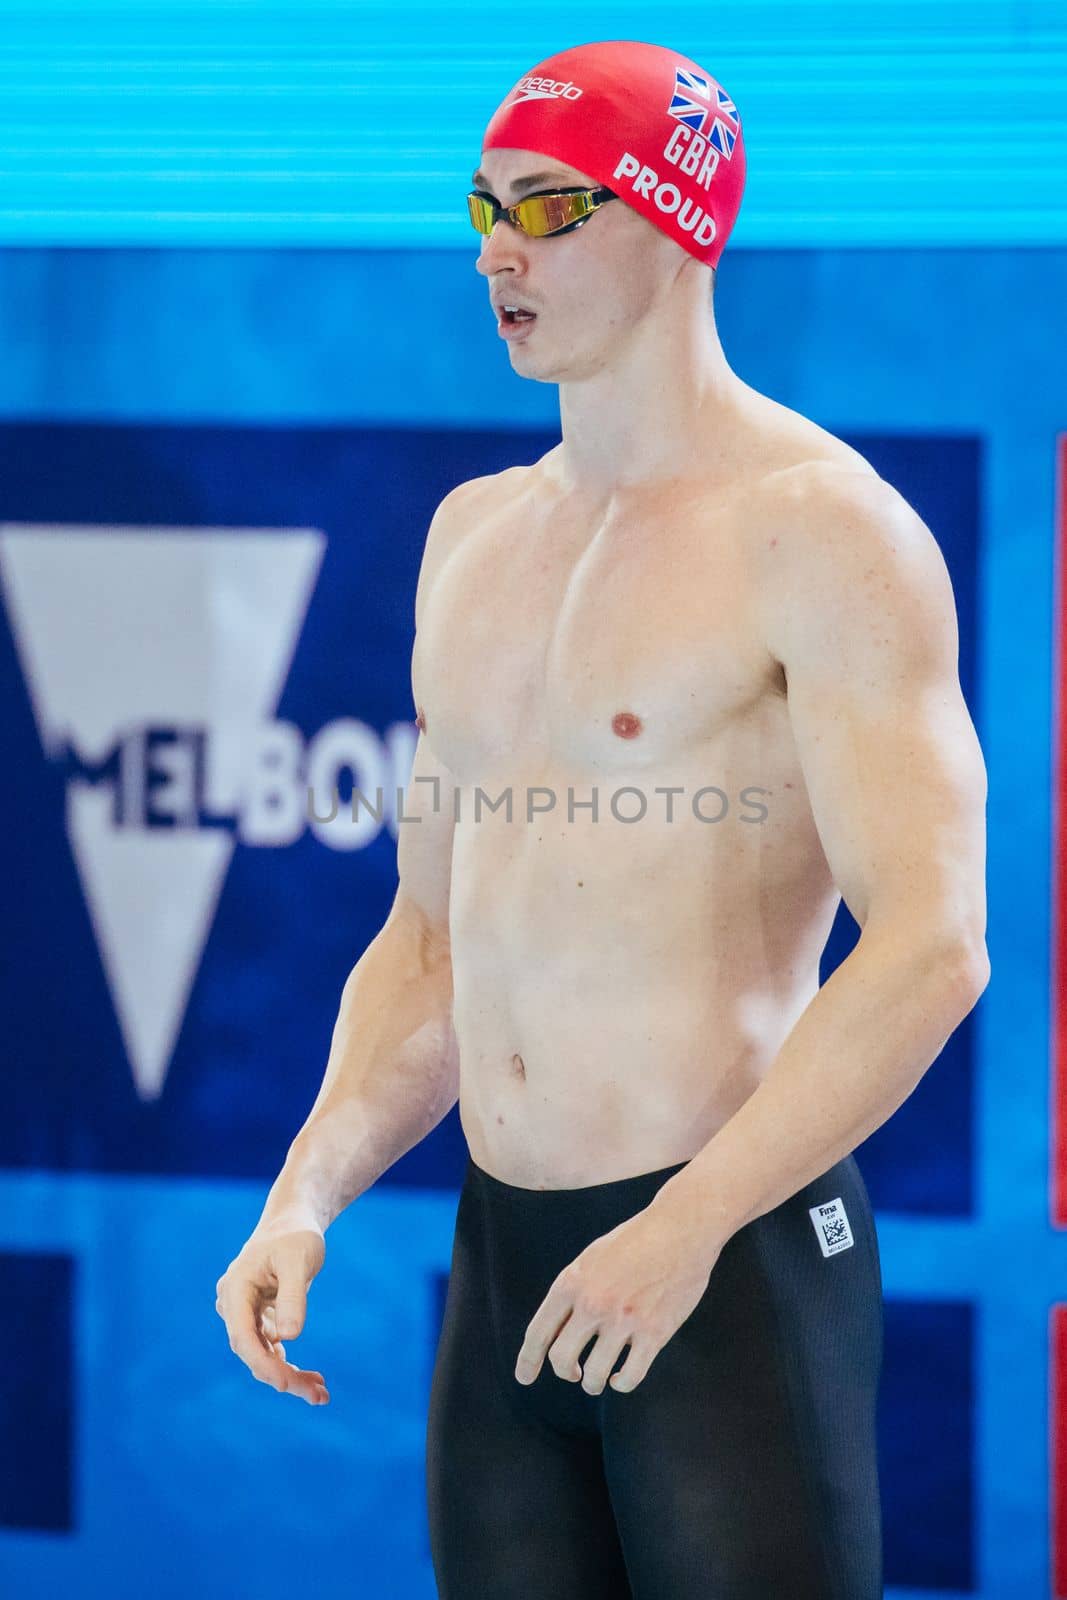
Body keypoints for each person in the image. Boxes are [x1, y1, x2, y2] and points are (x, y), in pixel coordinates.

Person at [215, 38, 990, 1598]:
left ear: (680, 221)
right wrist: (304, 1189)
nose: (501, 250)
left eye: (553, 207)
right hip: (504, 1264)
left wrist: (687, 1227)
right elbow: (427, 943)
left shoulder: (822, 534)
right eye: (485, 208)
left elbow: (932, 949)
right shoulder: (473, 537)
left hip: (726, 1260)